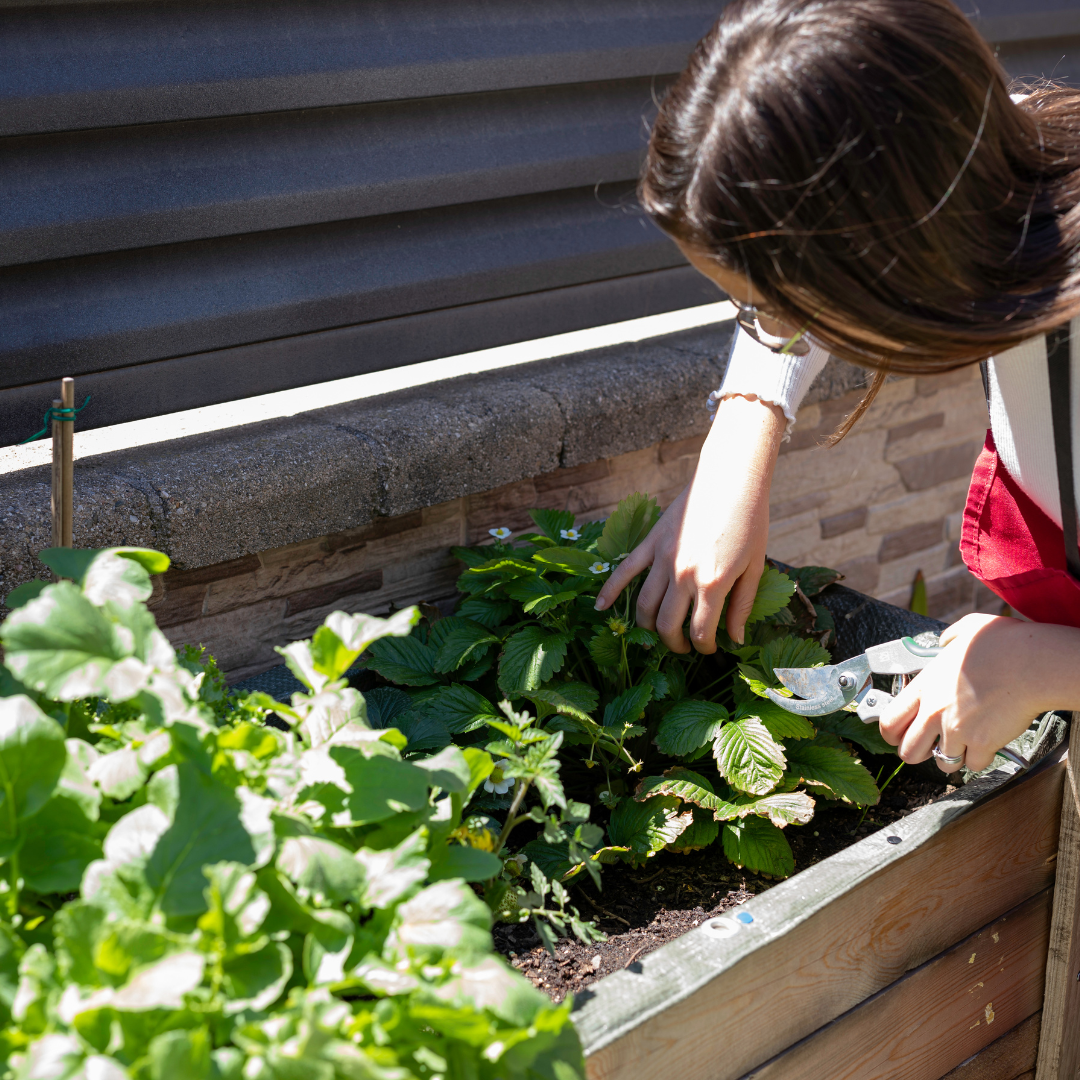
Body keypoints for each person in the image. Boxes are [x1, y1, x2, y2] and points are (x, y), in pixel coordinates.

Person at [594, 0, 1080, 775]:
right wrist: (741, 436)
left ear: (892, 264)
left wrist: (1046, 666)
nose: (772, 329)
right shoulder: (993, 160)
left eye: (782, 305)